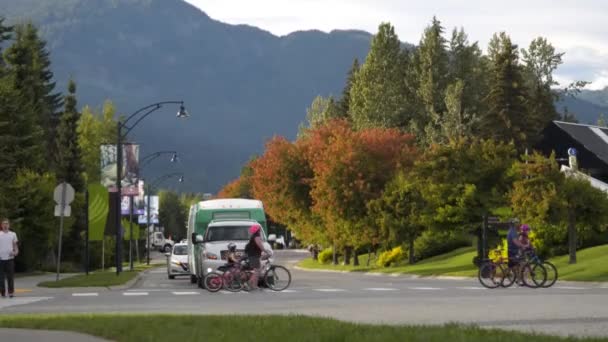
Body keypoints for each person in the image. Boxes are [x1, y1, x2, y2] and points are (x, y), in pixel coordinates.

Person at [0, 218, 18, 298]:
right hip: (0, 258)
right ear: (1, 225)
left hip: (10, 258)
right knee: (1, 277)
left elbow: (15, 246)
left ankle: (11, 292)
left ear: (9, 225)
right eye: (4, 224)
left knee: (10, 276)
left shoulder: (13, 234)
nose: (5, 225)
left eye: (7, 224)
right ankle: (3, 292)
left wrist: (15, 252)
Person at [244, 224, 266, 290]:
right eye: (259, 229)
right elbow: (260, 245)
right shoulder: (256, 236)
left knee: (257, 271)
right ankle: (248, 283)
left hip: (254, 255)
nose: (260, 230)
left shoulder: (254, 236)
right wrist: (265, 251)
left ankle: (254, 286)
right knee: (257, 271)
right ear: (258, 230)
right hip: (254, 255)